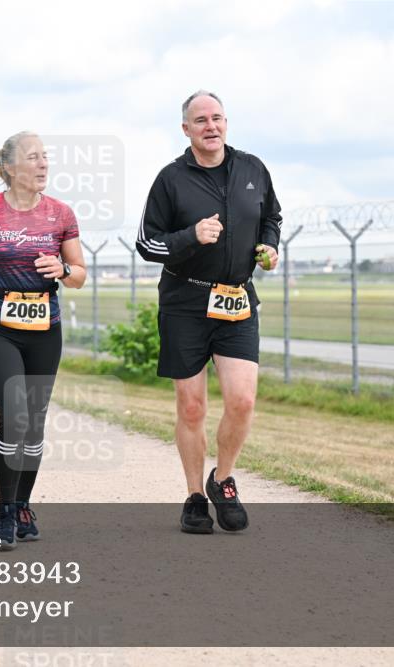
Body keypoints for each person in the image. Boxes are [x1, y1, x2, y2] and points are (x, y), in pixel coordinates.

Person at [136, 90, 281, 534]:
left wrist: (270, 247)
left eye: (217, 118)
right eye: (201, 120)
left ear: (226, 123)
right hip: (186, 301)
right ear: (186, 129)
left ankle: (223, 479)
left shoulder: (253, 169)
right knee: (193, 406)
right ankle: (195, 496)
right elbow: (146, 243)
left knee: (242, 399)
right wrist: (190, 237)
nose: (211, 126)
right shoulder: (170, 179)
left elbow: (272, 216)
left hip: (237, 299)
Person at [0, 131, 86, 549]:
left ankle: (24, 504)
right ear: (9, 167)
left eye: (46, 157)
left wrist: (62, 270)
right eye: (34, 157)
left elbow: (79, 273)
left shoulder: (61, 213)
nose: (43, 164)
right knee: (14, 415)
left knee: (35, 422)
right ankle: (5, 512)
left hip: (46, 325)